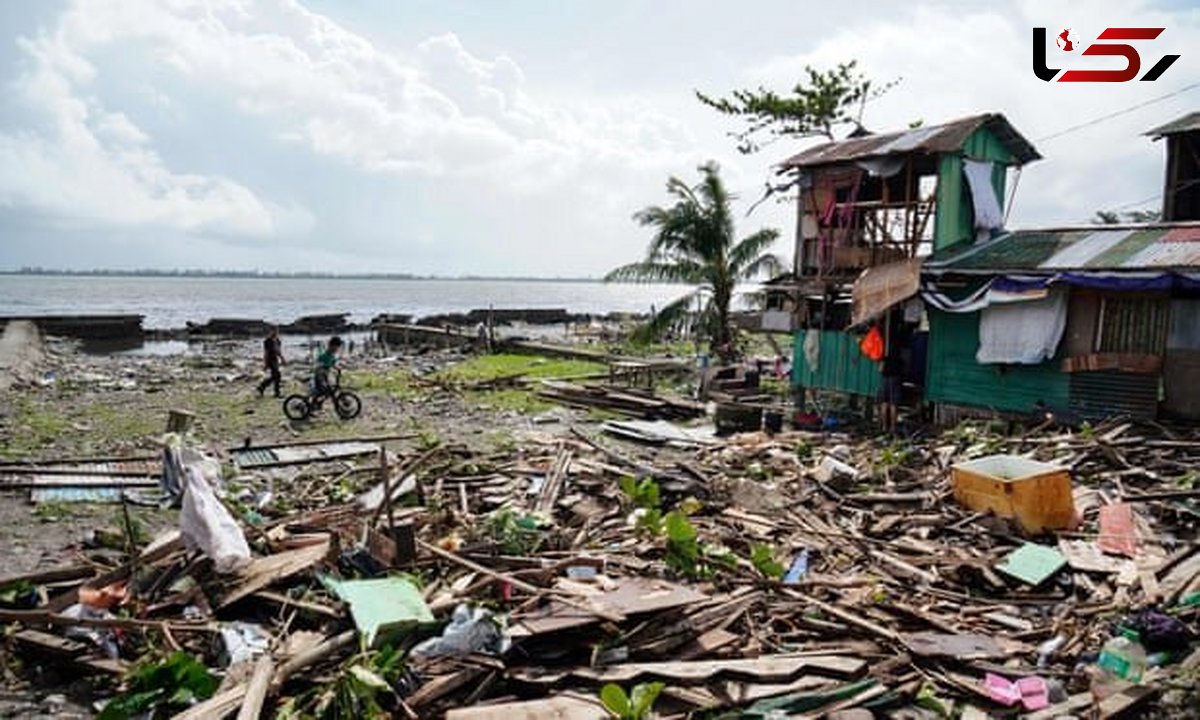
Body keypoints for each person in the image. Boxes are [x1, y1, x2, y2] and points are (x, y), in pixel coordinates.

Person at [878, 340, 903, 435]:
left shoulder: (885, 357)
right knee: (894, 404)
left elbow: (880, 369)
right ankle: (893, 427)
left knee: (884, 403)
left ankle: (884, 426)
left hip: (885, 378)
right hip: (895, 379)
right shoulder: (899, 359)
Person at [313, 336, 343, 402]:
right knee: (323, 390)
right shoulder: (325, 355)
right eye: (336, 348)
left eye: (338, 348)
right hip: (320, 376)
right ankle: (314, 402)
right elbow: (319, 363)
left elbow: (333, 363)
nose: (337, 349)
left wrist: (338, 368)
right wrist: (323, 365)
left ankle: (318, 402)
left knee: (329, 390)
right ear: (331, 346)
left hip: (326, 375)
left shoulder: (332, 355)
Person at [256, 327, 284, 398]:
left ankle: (261, 387)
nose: (275, 332)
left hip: (275, 360)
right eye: (273, 331)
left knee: (275, 376)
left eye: (276, 331)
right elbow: (266, 353)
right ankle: (276, 393)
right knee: (277, 375)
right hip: (270, 360)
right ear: (270, 331)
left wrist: (282, 359)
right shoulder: (267, 341)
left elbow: (278, 351)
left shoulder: (278, 340)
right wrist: (265, 363)